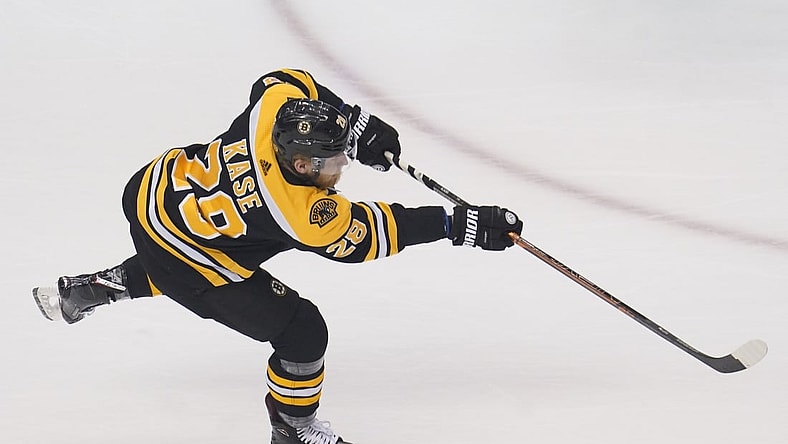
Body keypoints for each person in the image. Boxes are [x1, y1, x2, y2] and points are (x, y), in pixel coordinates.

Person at [32, 68, 523, 444]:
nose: (340, 169)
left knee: (218, 255)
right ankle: (293, 427)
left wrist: (352, 123)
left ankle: (88, 289)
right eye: (331, 162)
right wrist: (457, 223)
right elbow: (374, 233)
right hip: (188, 247)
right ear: (300, 163)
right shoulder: (303, 214)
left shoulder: (269, 113)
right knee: (302, 330)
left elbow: (283, 80)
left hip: (155, 193)